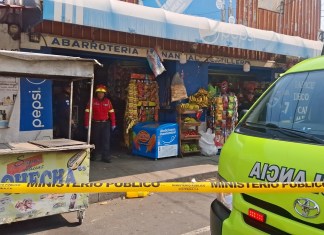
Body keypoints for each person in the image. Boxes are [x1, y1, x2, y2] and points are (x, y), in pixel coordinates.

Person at [84, 84, 116, 163]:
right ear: (96, 93)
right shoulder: (92, 101)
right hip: (96, 124)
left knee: (106, 141)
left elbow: (112, 113)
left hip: (106, 124)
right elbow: (87, 113)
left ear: (105, 94)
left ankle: (105, 157)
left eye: (102, 93)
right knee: (95, 140)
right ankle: (94, 156)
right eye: (98, 92)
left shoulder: (108, 102)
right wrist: (86, 124)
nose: (100, 94)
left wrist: (113, 124)